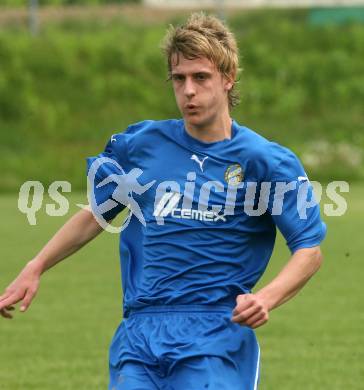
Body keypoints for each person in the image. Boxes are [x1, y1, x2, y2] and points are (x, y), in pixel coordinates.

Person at [0, 13, 326, 390]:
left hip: (215, 335)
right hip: (140, 335)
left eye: (200, 77)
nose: (189, 90)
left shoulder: (266, 161)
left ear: (227, 77)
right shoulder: (143, 146)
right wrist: (36, 265)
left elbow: (309, 250)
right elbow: (96, 214)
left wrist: (266, 298)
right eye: (179, 78)